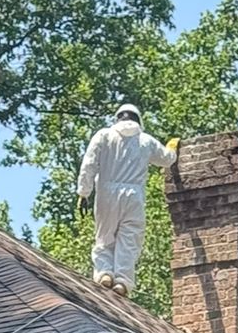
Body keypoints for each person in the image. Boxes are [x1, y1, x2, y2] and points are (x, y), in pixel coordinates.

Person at [76, 104, 178, 296]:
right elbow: (166, 159)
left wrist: (83, 193)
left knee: (105, 237)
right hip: (134, 196)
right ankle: (122, 280)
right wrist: (172, 148)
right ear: (138, 120)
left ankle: (105, 274)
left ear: (117, 119)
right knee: (129, 238)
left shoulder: (103, 136)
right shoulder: (146, 141)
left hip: (106, 193)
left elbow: (88, 164)